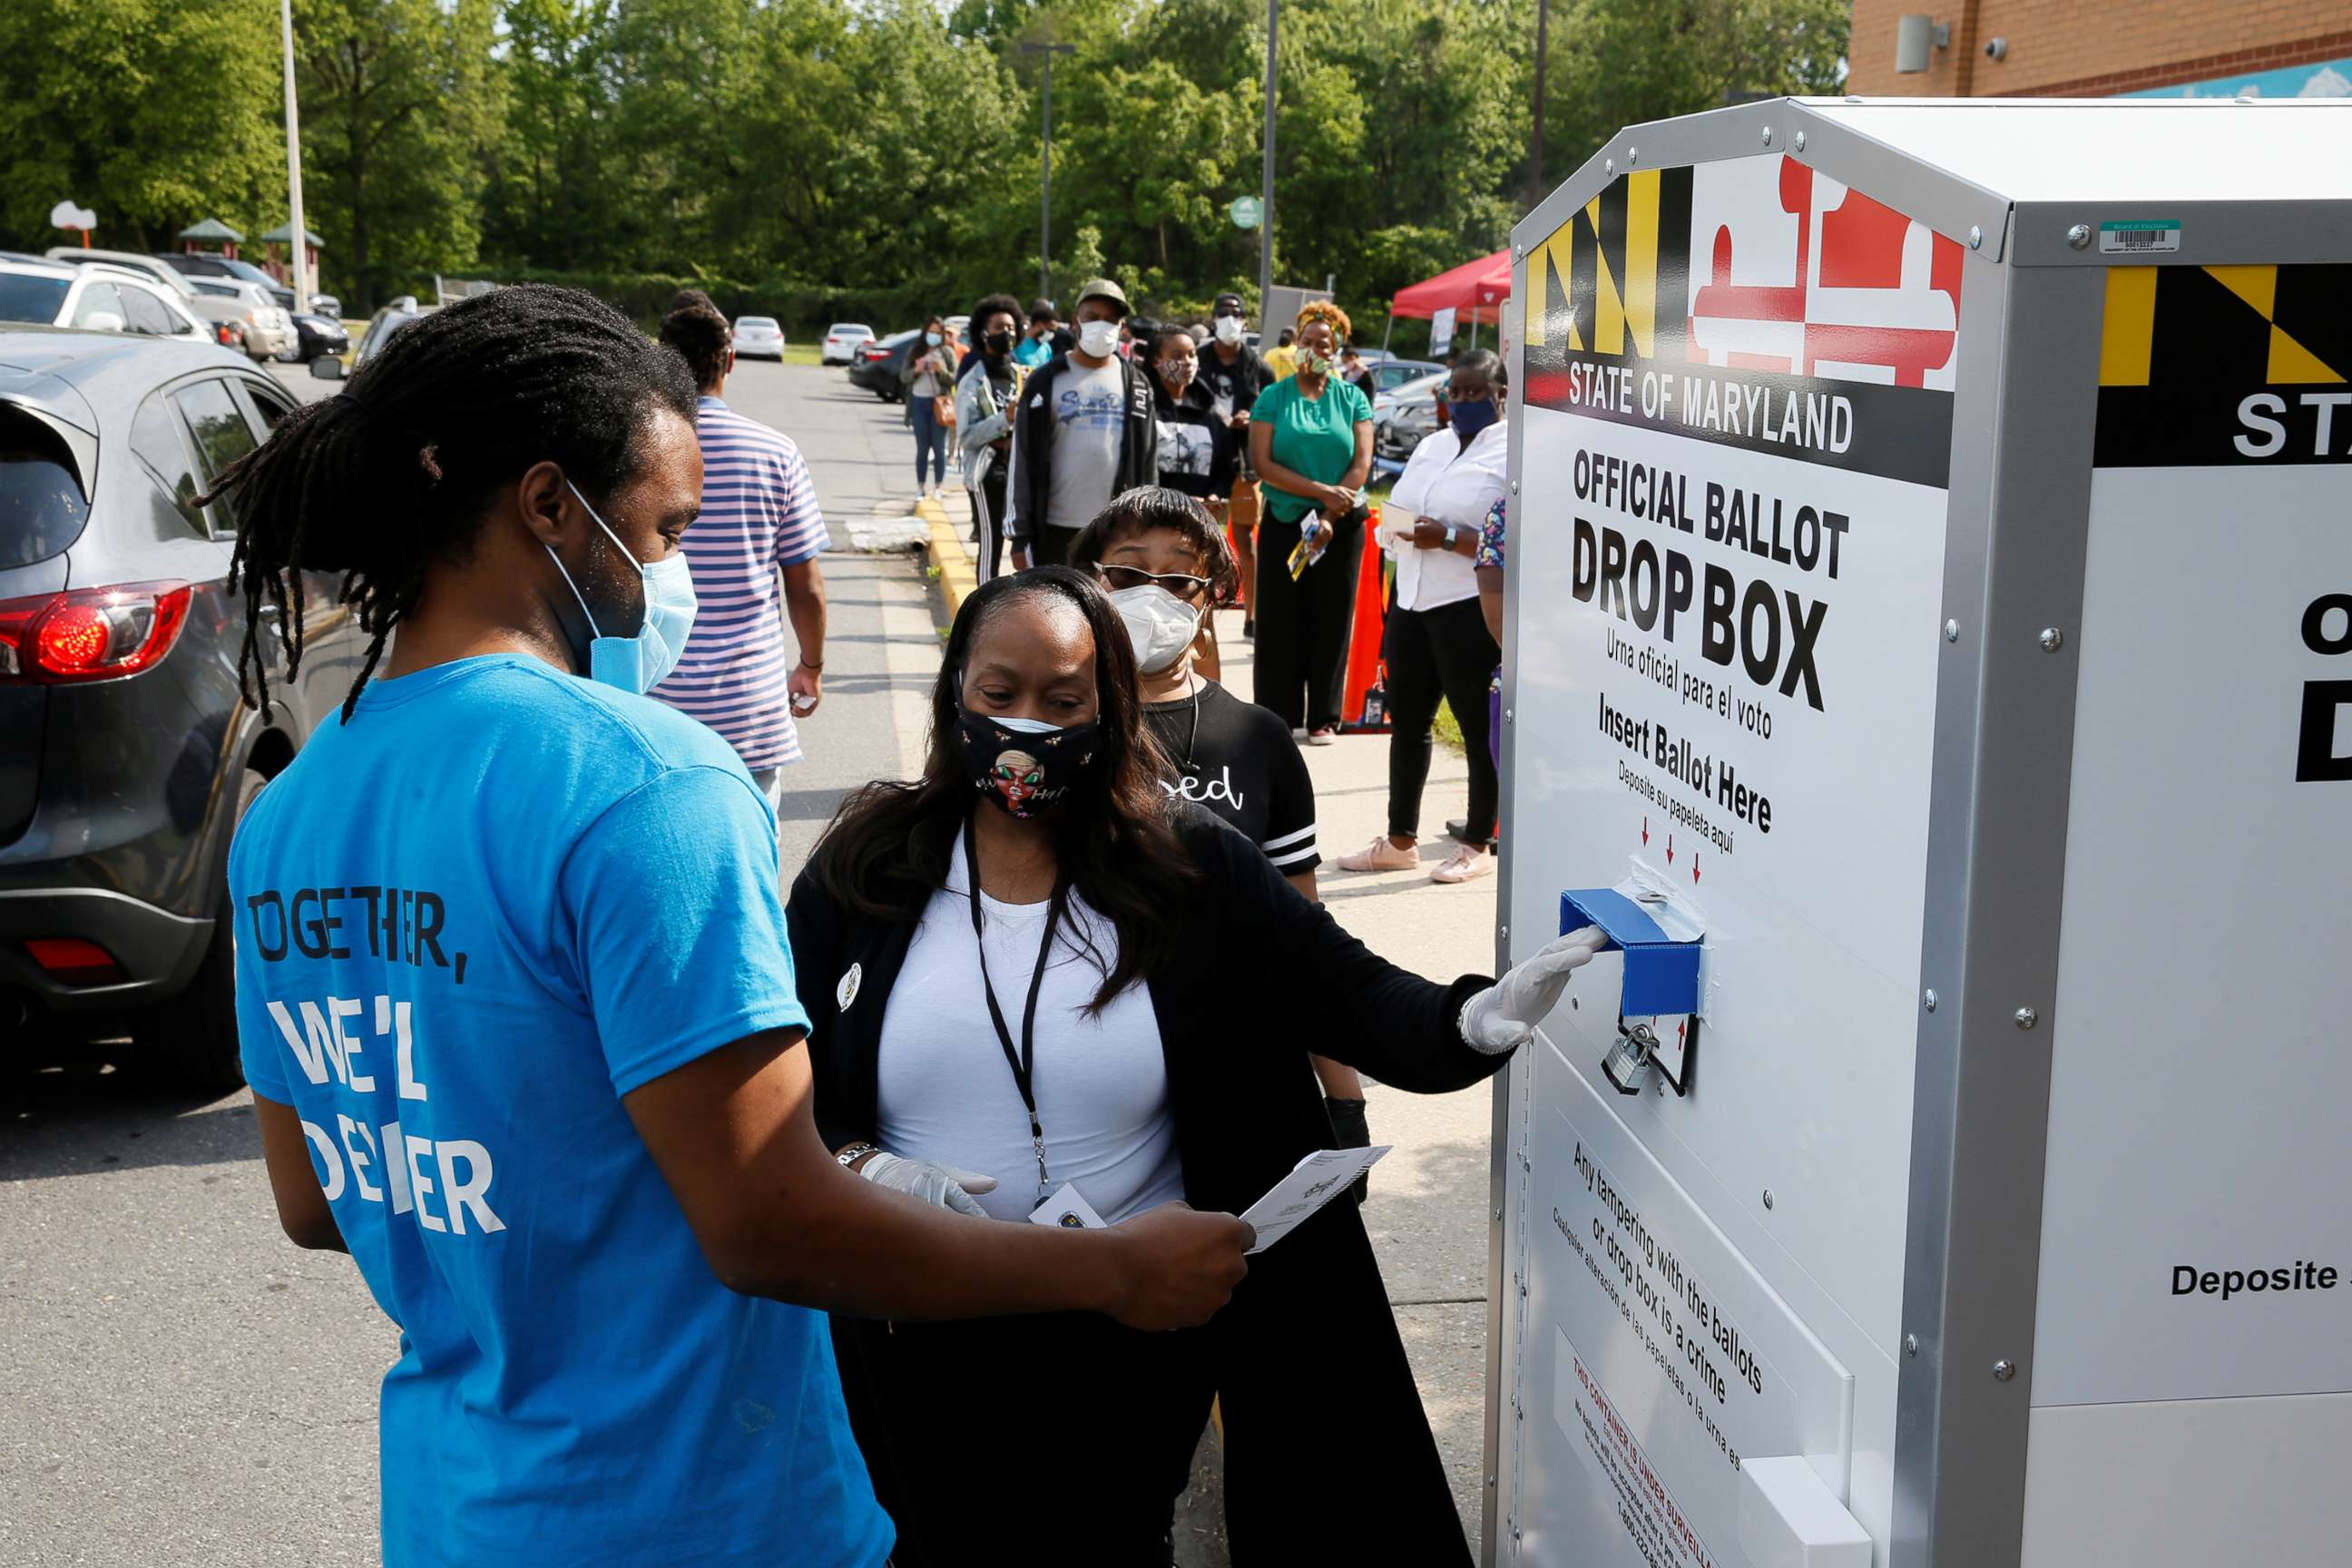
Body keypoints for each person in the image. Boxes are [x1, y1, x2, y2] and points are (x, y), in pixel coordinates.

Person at [208, 285, 1256, 1568]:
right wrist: (1110, 1275)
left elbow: (315, 1201)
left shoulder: (292, 814)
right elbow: (772, 1222)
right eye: (662, 531)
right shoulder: (648, 784)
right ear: (548, 505)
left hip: (455, 1507)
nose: (672, 577)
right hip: (696, 1511)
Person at [786, 564, 1607, 1565]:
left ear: (1110, 707)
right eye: (998, 695)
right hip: (924, 1319)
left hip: (1131, 1327)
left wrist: (1472, 1020)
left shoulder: (1186, 862)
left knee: (1111, 1540)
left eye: (1063, 700)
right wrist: (862, 1166)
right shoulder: (871, 862)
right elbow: (778, 1080)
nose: (1026, 726)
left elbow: (1345, 992)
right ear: (955, 690)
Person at [1069, 487, 1377, 1186]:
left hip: (1237, 1073)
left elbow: (1301, 931)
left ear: (1212, 598)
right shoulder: (1054, 732)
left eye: (1180, 579)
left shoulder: (1259, 738)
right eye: (1126, 573)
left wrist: (1344, 1096)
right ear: (1088, 580)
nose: (1154, 595)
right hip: (1087, 1090)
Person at [649, 300, 828, 806]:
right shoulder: (775, 451)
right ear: (729, 360)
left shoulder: (632, 453)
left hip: (651, 700)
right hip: (746, 707)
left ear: (662, 360)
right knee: (748, 863)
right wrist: (810, 665)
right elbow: (805, 586)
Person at [1340, 350, 1508, 883]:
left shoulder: (1514, 453)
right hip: (1409, 598)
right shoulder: (1432, 445)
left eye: (1473, 392)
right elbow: (1401, 505)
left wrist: (1451, 539)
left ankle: (1478, 842)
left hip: (1467, 605)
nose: (1460, 402)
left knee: (1477, 727)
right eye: (1453, 393)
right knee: (1408, 724)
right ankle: (1399, 840)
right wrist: (1397, 529)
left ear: (1500, 394)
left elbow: (1515, 542)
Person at [1248, 300, 1373, 744]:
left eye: (1324, 342)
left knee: (1332, 617)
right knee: (1281, 619)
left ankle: (1324, 715)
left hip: (1340, 524)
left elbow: (1361, 464)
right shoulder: (1272, 397)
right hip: (1286, 519)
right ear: (1295, 343)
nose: (1314, 348)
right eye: (1307, 340)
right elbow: (1262, 464)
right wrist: (1320, 493)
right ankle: (1277, 715)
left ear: (1337, 348)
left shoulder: (1353, 397)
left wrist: (1329, 513)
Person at [1004, 276, 1158, 570]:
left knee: (1108, 615)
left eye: (1111, 319)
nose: (1102, 325)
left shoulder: (1137, 385)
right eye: (1093, 317)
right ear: (1076, 322)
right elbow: (1021, 458)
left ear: (1121, 327)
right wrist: (1019, 535)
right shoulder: (1045, 381)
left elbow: (1148, 462)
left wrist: (1147, 528)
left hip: (1117, 531)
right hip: (1053, 529)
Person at [1141, 323, 1238, 681]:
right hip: (1152, 530)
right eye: (1176, 356)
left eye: (1192, 355)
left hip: (1199, 533)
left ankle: (1212, 695)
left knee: (1201, 617)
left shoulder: (1212, 415)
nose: (1186, 363)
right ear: (1155, 362)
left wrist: (1214, 494)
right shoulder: (1144, 411)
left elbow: (1225, 467)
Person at [1195, 292, 1271, 640]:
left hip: (1244, 462)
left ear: (1244, 322)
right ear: (1213, 320)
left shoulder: (1258, 366)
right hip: (1204, 459)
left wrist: (1252, 417)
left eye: (1235, 314)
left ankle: (1252, 616)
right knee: (1197, 538)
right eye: (1223, 313)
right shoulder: (1198, 359)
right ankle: (1198, 610)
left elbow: (1272, 412)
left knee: (1245, 539)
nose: (1230, 320)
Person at [954, 293, 1025, 583]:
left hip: (1018, 468)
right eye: (999, 327)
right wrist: (1005, 419)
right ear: (983, 334)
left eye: (1010, 327)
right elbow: (967, 436)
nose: (1006, 333)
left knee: (1021, 541)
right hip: (988, 471)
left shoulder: (1022, 375)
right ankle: (983, 610)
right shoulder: (972, 381)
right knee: (991, 541)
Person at [902, 314, 959, 499]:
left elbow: (955, 378)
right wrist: (917, 370)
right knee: (922, 448)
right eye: (930, 332)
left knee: (938, 447)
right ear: (925, 331)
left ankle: (938, 487)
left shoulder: (947, 353)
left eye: (937, 333)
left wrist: (940, 370)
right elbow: (904, 377)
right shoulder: (915, 351)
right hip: (918, 402)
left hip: (938, 404)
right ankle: (920, 487)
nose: (933, 336)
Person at [1013, 298, 1064, 368]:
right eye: (1050, 330)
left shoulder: (1047, 348)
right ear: (1039, 324)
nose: (1051, 334)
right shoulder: (1017, 344)